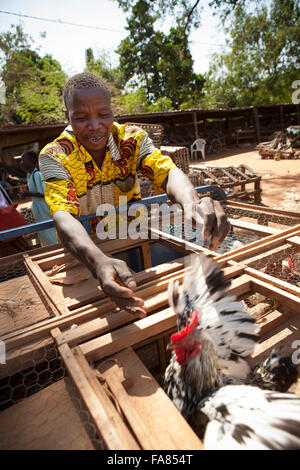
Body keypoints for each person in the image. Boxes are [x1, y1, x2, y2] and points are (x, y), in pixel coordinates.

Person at [39, 72, 230, 316]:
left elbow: (168, 173)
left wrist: (193, 202)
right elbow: (64, 216)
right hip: (88, 252)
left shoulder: (132, 140)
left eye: (104, 114)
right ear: (67, 117)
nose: (95, 125)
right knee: (105, 316)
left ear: (112, 111)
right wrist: (98, 262)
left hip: (133, 237)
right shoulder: (54, 155)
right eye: (81, 117)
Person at [21, 151, 58, 246]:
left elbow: (43, 193)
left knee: (48, 229)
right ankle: (48, 247)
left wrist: (28, 193)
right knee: (43, 230)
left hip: (42, 205)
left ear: (32, 160)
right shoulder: (30, 175)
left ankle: (55, 246)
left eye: (24, 160)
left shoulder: (37, 174)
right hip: (37, 206)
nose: (22, 163)